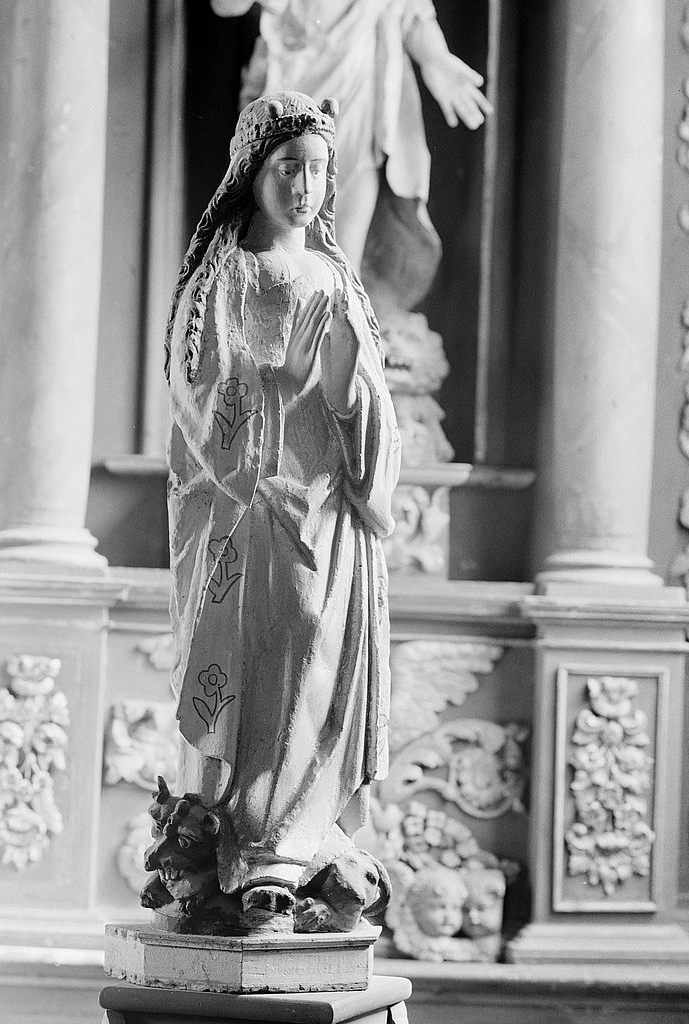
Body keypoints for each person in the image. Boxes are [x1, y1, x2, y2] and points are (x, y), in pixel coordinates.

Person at [165, 91, 401, 918]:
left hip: (330, 516)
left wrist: (341, 393)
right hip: (253, 515)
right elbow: (198, 405)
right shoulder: (223, 279)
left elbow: (371, 401)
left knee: (316, 652)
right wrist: (279, 386)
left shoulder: (335, 279)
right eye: (287, 168)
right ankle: (241, 833)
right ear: (252, 175)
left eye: (317, 170)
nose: (305, 185)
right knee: (267, 655)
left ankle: (298, 836)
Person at [211, 0, 492, 310]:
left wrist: (435, 59)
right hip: (294, 117)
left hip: (356, 123)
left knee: (343, 259)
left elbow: (411, 12)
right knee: (280, 250)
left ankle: (343, 335)